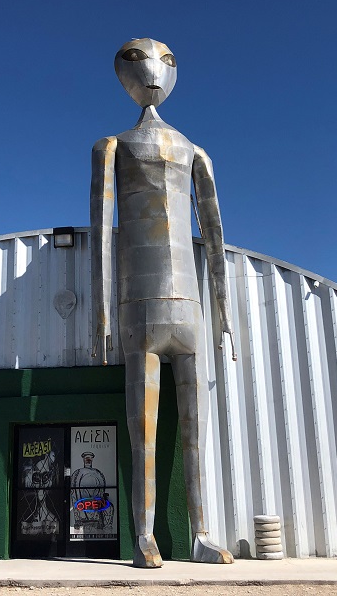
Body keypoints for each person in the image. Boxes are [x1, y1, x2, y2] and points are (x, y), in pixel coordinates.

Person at [90, 38, 235, 568]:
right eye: (138, 61)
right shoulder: (112, 146)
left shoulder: (194, 151)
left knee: (197, 435)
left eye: (165, 61)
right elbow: (102, 234)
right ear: (121, 75)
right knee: (141, 432)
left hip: (189, 308)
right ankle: (144, 536)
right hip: (140, 305)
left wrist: (225, 313)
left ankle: (202, 533)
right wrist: (102, 315)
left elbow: (215, 238)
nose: (153, 72)